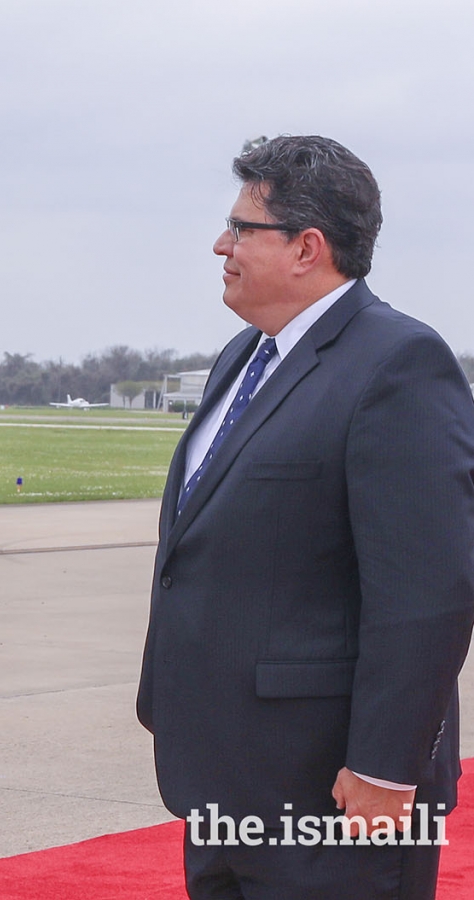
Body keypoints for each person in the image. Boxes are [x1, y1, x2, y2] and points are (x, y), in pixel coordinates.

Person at [137, 135, 474, 899]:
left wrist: (387, 764)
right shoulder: (243, 358)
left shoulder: (398, 364)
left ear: (307, 247)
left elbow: (427, 592)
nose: (220, 245)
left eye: (240, 228)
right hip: (226, 778)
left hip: (333, 794)